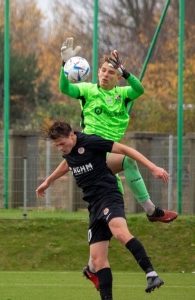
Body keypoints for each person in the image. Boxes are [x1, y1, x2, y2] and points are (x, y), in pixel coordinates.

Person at [59, 37, 178, 288]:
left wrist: (126, 72)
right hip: (93, 153)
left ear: (117, 77)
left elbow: (139, 90)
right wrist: (64, 64)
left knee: (114, 206)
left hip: (106, 155)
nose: (104, 74)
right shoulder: (88, 90)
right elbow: (66, 89)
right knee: (127, 162)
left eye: (110, 72)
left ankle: (93, 266)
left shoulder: (123, 94)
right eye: (102, 70)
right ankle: (151, 211)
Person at [36, 120, 168, 299]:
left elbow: (125, 150)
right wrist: (48, 181)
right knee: (98, 259)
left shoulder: (91, 142)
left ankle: (151, 274)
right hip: (93, 206)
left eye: (62, 143)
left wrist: (153, 167)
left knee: (120, 233)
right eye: (56, 145)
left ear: (72, 135)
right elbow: (67, 163)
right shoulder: (69, 151)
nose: (60, 148)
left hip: (108, 195)